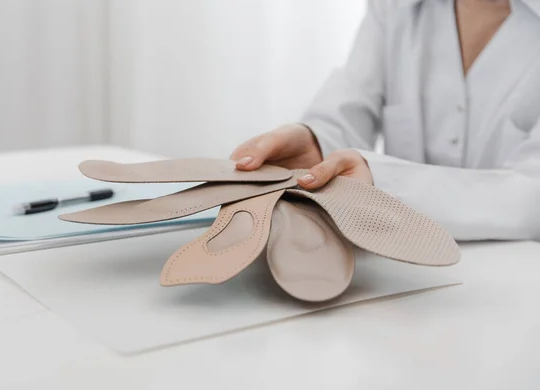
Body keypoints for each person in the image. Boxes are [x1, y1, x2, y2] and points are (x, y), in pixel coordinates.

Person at [230, 0, 540, 241]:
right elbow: (352, 104)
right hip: (399, 275)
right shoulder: (394, 7)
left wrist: (383, 184)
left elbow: (531, 201)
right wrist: (315, 144)